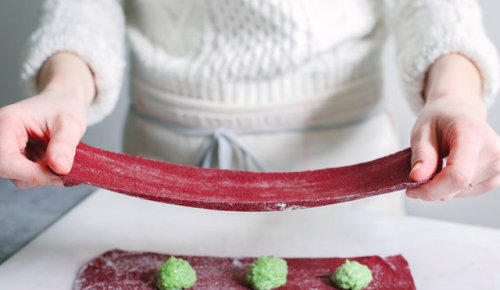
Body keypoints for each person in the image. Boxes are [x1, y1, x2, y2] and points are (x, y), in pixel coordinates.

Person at [0, 0, 499, 213]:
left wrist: (455, 95)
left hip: (349, 172)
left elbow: (434, 7)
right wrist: (63, 90)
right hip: (159, 173)